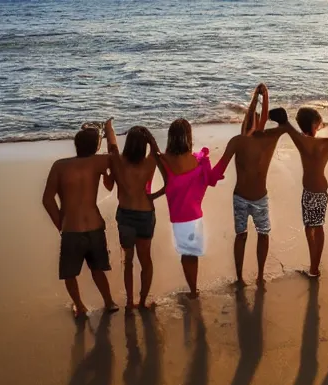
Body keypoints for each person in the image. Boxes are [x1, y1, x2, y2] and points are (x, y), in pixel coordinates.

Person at [42, 122, 119, 318]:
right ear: (96, 146)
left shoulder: (60, 166)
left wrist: (60, 222)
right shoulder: (100, 162)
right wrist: (109, 130)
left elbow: (47, 199)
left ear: (76, 144)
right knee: (97, 270)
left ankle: (80, 306)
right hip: (94, 225)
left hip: (71, 228)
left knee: (70, 274)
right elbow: (115, 156)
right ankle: (109, 302)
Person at [157, 119, 239, 298]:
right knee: (190, 256)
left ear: (171, 138)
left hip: (179, 219)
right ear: (188, 137)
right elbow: (212, 179)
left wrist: (148, 136)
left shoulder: (164, 161)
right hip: (195, 216)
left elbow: (156, 154)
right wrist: (226, 155)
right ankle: (193, 288)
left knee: (187, 256)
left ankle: (193, 291)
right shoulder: (199, 161)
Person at [274, 81, 328, 277]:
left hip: (309, 192)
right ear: (314, 124)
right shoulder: (326, 143)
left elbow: (285, 124)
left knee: (310, 227)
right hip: (321, 191)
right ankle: (314, 266)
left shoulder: (302, 140)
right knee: (317, 226)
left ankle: (314, 267)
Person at [103, 120, 166, 311]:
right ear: (145, 144)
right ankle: (142, 301)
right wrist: (154, 195)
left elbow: (108, 185)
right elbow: (169, 182)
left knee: (128, 261)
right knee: (145, 261)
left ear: (128, 143)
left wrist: (109, 126)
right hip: (145, 213)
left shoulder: (117, 160)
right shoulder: (152, 160)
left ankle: (129, 302)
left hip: (125, 215)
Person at [232, 83, 287, 286]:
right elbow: (250, 118)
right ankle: (239, 277)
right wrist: (256, 97)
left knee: (263, 234)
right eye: (250, 121)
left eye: (254, 120)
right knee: (241, 235)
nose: (252, 122)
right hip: (240, 197)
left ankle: (260, 274)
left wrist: (265, 95)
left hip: (259, 198)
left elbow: (262, 118)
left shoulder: (265, 139)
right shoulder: (241, 140)